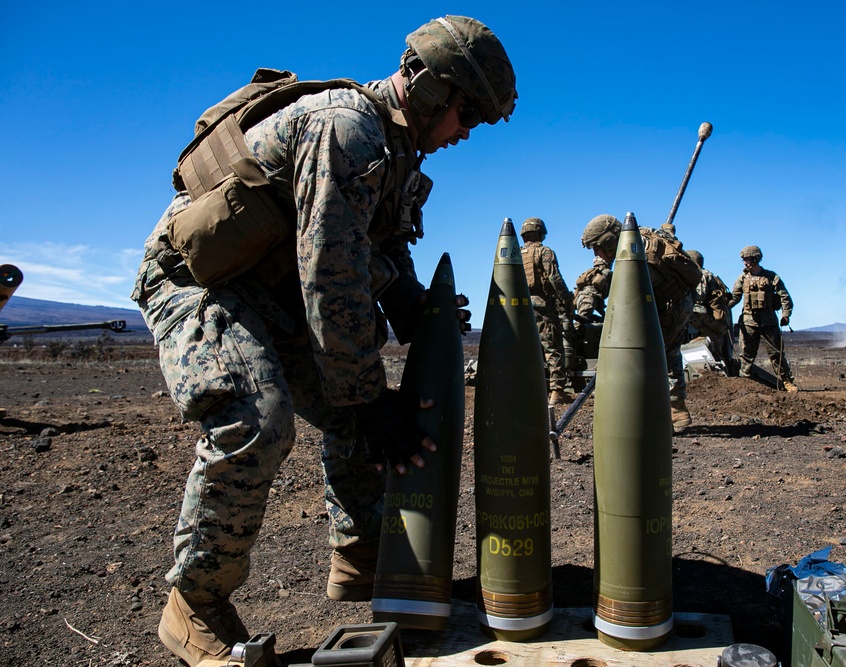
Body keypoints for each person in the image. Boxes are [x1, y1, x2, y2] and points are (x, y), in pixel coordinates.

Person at [131, 16, 516, 667]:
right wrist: (368, 399)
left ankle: (362, 556)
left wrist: (422, 315)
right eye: (464, 114)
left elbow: (382, 260)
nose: (464, 133)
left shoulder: (396, 157)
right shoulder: (348, 129)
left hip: (273, 296)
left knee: (356, 410)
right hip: (198, 283)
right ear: (428, 90)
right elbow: (333, 279)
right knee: (258, 417)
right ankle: (194, 602)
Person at [580, 214, 702, 430]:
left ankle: (653, 413)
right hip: (680, 301)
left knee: (649, 356)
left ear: (609, 241)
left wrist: (595, 283)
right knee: (668, 355)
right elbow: (666, 237)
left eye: (596, 247)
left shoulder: (637, 257)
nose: (596, 253)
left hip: (668, 308)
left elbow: (620, 289)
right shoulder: (644, 234)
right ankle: (676, 411)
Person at [520, 217, 575, 405]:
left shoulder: (516, 254)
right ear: (540, 232)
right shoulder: (544, 252)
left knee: (528, 349)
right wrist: (567, 299)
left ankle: (529, 390)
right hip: (544, 306)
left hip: (522, 308)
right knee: (553, 347)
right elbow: (554, 278)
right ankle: (557, 390)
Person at [729, 245, 797, 391]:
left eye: (747, 259)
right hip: (749, 322)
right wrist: (722, 307)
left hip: (769, 321)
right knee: (746, 354)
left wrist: (786, 315)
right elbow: (734, 298)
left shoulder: (772, 277)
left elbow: (785, 298)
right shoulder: (741, 279)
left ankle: (787, 382)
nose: (745, 262)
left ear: (755, 259)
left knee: (776, 353)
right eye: (744, 260)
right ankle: (745, 381)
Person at [685, 249, 736, 371]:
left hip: (711, 320)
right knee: (716, 352)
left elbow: (698, 297)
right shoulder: (711, 275)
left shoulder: (701, 274)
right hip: (718, 320)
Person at [573, 256, 612, 323]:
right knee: (581, 323)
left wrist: (606, 317)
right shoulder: (606, 272)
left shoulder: (592, 274)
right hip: (588, 298)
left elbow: (598, 301)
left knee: (584, 320)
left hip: (581, 298)